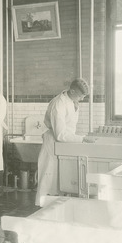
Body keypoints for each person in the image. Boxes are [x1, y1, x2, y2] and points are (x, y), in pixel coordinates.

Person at [35, 78, 95, 207]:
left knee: (60, 180)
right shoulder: (59, 104)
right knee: (49, 180)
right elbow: (60, 134)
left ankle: (58, 208)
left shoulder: (72, 100)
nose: (82, 99)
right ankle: (43, 210)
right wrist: (82, 139)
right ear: (72, 91)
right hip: (54, 144)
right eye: (80, 96)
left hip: (64, 144)